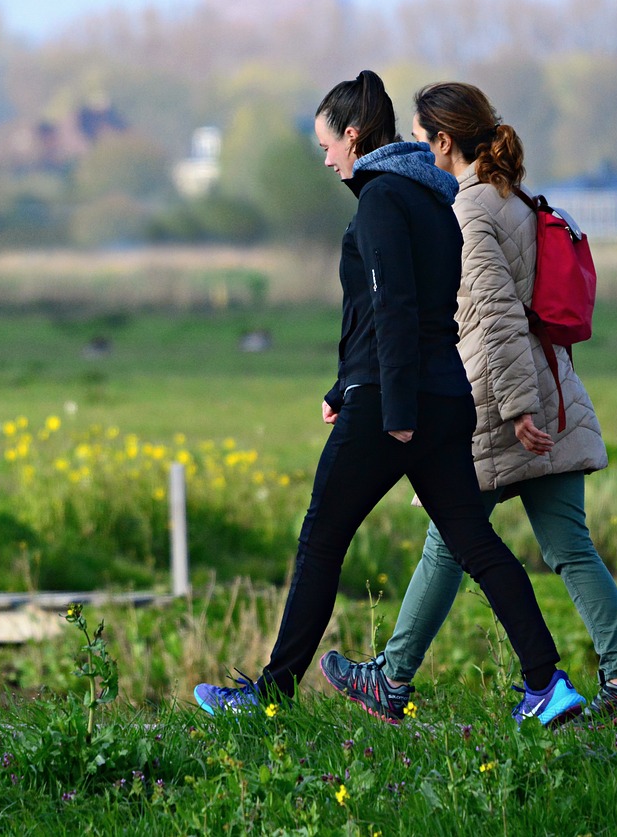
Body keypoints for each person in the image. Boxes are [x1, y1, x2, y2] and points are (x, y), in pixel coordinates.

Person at [193, 70, 586, 728]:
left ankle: (270, 695)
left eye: (327, 144)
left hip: (395, 402)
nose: (324, 158)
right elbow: (398, 314)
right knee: (473, 539)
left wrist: (391, 409)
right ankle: (548, 683)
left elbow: (395, 308)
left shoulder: (379, 200)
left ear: (353, 135)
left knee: (321, 538)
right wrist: (341, 386)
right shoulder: (431, 198)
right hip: (440, 393)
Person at [320, 81, 617, 725]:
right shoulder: (513, 197)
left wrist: (515, 407)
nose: (416, 150)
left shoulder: (471, 208)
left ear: (445, 142)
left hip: (501, 399)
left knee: (451, 541)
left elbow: (497, 314)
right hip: (552, 386)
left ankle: (391, 681)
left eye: (422, 140)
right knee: (568, 546)